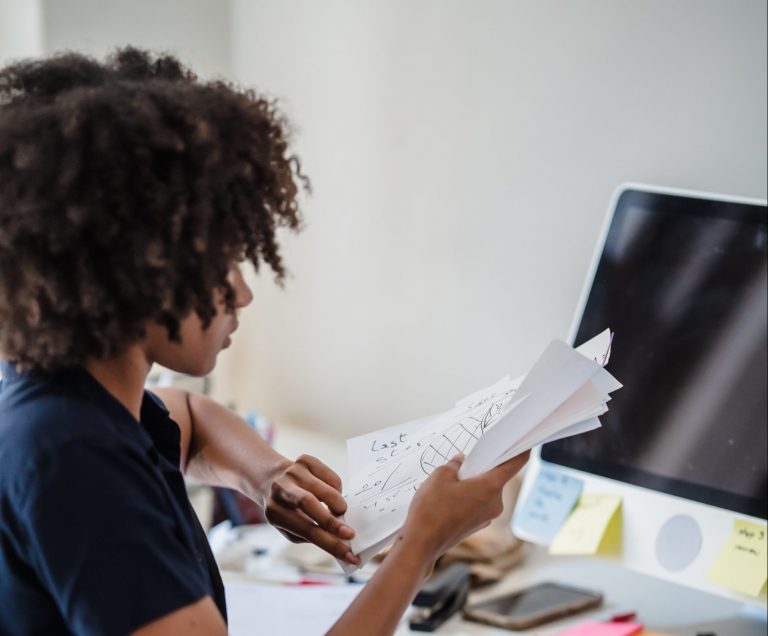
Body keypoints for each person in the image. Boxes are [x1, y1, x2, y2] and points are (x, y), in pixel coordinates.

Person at [0, 48, 529, 635]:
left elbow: (190, 419)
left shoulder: (65, 402)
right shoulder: (74, 461)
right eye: (222, 264)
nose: (243, 293)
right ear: (142, 271)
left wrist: (269, 476)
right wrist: (420, 547)